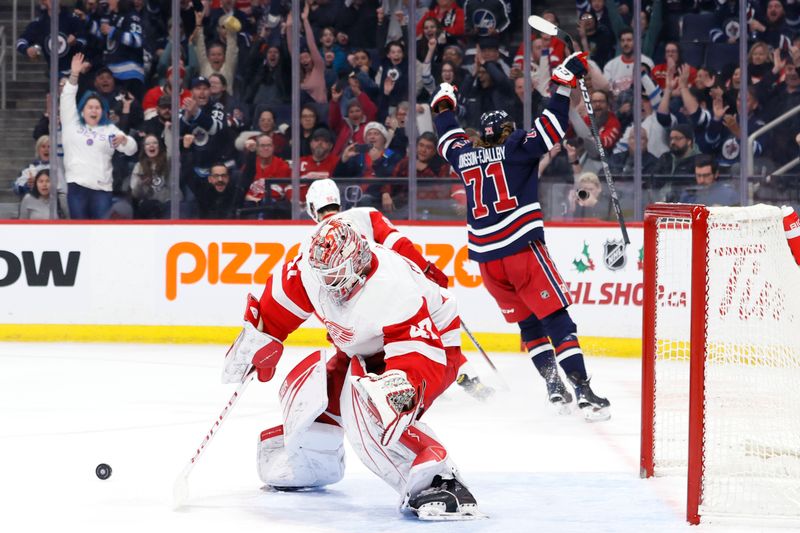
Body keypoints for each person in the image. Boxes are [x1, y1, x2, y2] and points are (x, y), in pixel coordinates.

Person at [222, 218, 482, 519]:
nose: (325, 285)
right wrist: (258, 341)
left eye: (333, 276)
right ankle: (314, 462)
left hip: (431, 344)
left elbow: (421, 352)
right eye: (322, 275)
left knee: (372, 410)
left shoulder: (392, 288)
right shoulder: (310, 265)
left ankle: (438, 479)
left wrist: (402, 385)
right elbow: (274, 309)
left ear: (356, 264)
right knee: (313, 390)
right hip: (364, 346)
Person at [430, 52, 611, 421]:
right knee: (558, 320)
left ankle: (554, 389)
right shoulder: (515, 148)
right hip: (521, 251)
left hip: (488, 263)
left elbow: (446, 134)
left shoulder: (464, 154)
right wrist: (562, 83)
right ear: (506, 131)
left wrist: (444, 100)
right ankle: (584, 394)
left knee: (529, 324)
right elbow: (552, 126)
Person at [304, 178, 494, 401]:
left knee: (379, 347)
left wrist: (338, 332)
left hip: (358, 309)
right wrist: (427, 271)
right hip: (391, 290)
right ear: (337, 199)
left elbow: (317, 293)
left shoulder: (312, 242)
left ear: (311, 207)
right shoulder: (365, 214)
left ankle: (392, 384)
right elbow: (400, 245)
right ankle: (465, 378)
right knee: (426, 329)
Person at [62, 52, 138, 219]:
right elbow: (67, 98)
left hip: (102, 189)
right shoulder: (71, 123)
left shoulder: (109, 129)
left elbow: (132, 149)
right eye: (90, 107)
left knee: (100, 233)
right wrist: (74, 75)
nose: (94, 110)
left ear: (102, 111)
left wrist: (125, 140)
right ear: (82, 110)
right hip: (77, 187)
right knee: (80, 231)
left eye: (97, 107)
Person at [130, 134, 177, 219]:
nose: (151, 145)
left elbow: (173, 151)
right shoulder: (139, 166)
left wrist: (168, 131)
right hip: (149, 206)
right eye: (147, 144)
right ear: (144, 148)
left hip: (168, 203)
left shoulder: (168, 161)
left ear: (160, 146)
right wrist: (140, 183)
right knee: (146, 206)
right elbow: (135, 195)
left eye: (155, 143)